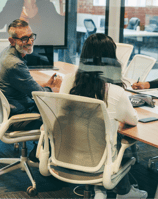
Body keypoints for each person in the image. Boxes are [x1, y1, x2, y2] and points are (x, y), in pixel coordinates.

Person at [59, 34, 148, 199]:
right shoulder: (115, 92)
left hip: (68, 151)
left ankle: (100, 189)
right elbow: (132, 120)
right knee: (123, 136)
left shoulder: (68, 81)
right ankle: (124, 191)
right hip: (101, 159)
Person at [0, 19, 62, 132]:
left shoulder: (7, 53)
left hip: (11, 109)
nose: (30, 42)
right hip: (19, 118)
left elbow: (25, 86)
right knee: (62, 115)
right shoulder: (15, 64)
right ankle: (42, 148)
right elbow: (40, 95)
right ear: (12, 41)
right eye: (24, 39)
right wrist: (55, 88)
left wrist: (46, 85)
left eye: (31, 36)